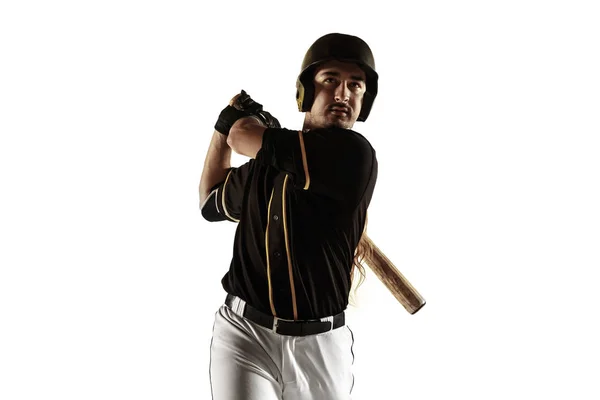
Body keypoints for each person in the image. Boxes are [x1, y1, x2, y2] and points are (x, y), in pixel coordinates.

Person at [198, 32, 379, 400]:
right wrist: (221, 130)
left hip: (321, 345)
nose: (343, 94)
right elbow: (210, 202)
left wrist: (242, 124)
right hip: (244, 333)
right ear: (306, 92)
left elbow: (245, 135)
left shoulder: (355, 156)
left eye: (355, 85)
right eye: (330, 80)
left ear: (365, 99)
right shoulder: (266, 166)